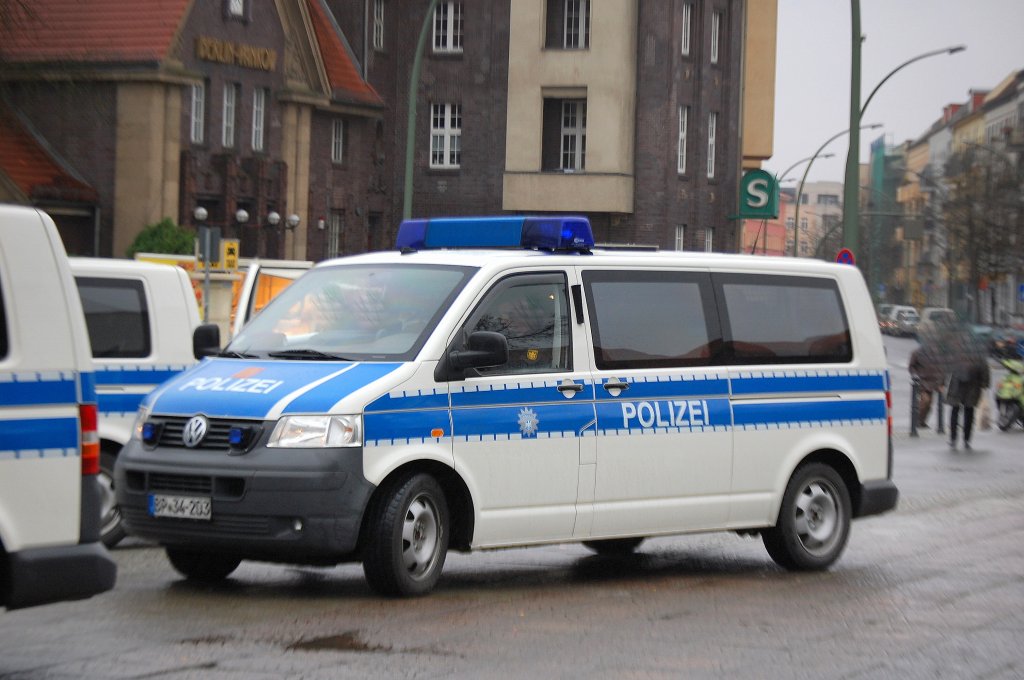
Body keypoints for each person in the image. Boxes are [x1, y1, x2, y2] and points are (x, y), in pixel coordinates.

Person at [946, 349, 991, 449]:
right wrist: (984, 385)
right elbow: (985, 372)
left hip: (957, 387)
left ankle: (953, 439)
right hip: (972, 387)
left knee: (956, 411)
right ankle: (966, 439)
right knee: (968, 413)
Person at [909, 345, 942, 428]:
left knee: (929, 404)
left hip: (933, 382)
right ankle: (917, 421)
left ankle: (922, 421)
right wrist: (915, 375)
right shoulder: (917, 353)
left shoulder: (937, 353)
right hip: (921, 381)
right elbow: (911, 366)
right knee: (925, 401)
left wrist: (941, 382)